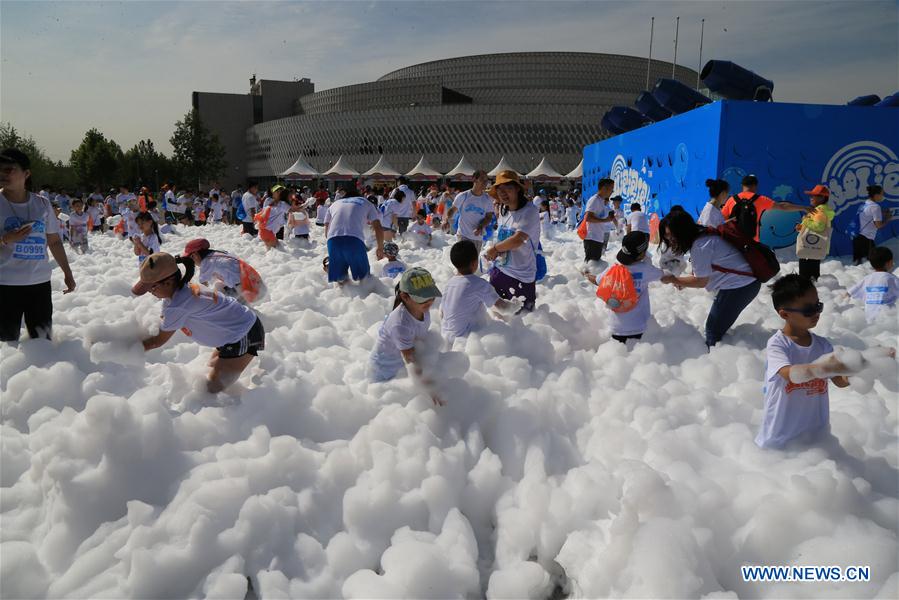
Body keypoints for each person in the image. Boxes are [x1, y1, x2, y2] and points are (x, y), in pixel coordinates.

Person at [135, 252, 265, 393]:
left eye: (151, 288)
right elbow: (163, 322)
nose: (150, 292)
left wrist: (126, 350)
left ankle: (257, 394)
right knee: (210, 370)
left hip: (243, 333)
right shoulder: (181, 291)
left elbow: (156, 341)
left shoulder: (179, 305)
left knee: (212, 389)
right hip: (235, 329)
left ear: (168, 282)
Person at [755, 274, 849, 449]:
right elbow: (788, 374)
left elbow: (839, 380)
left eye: (818, 306)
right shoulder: (778, 344)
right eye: (808, 309)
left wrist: (860, 370)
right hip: (780, 437)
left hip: (815, 435)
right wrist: (823, 368)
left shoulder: (823, 345)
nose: (816, 313)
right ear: (785, 314)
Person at [0, 148, 76, 341]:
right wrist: (5, 239)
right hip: (5, 284)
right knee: (6, 345)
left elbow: (54, 241)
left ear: (26, 173)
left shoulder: (42, 204)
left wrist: (67, 273)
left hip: (39, 283)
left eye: (8, 170)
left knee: (42, 342)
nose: (2, 174)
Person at [660, 210, 762, 347]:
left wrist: (674, 279)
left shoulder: (700, 245)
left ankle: (720, 356)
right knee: (716, 327)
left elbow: (701, 281)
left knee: (712, 331)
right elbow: (704, 273)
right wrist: (682, 281)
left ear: (681, 231)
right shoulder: (703, 236)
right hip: (743, 283)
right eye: (666, 236)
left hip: (740, 286)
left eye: (670, 235)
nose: (669, 239)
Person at [368, 267, 444, 405]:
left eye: (431, 296)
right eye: (422, 298)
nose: (429, 302)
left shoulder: (421, 309)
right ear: (405, 297)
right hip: (385, 370)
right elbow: (410, 360)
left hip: (400, 359)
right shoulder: (400, 324)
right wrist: (428, 389)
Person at [588, 231, 671, 344]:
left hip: (616, 328)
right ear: (642, 254)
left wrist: (588, 276)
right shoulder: (646, 269)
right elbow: (664, 275)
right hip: (639, 326)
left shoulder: (614, 268)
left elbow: (598, 280)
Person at [483, 170, 541, 311]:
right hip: (500, 271)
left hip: (522, 276)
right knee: (498, 317)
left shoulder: (529, 211)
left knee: (524, 318)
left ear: (517, 189)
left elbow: (518, 240)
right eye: (499, 190)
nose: (503, 193)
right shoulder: (504, 210)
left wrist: (495, 249)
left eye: (508, 188)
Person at [440, 239, 513, 343]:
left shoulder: (449, 283)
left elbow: (442, 312)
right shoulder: (479, 284)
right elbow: (501, 306)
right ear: (474, 263)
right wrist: (516, 306)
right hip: (466, 339)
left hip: (445, 335)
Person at [721, 174, 813, 242]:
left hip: (733, 241)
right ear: (755, 186)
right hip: (752, 242)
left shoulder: (731, 200)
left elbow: (721, 219)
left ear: (742, 185)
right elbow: (783, 206)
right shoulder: (760, 199)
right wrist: (803, 208)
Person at [324, 186, 385, 284]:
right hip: (354, 240)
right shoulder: (366, 202)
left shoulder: (335, 204)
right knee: (364, 280)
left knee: (341, 281)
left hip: (333, 240)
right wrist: (380, 248)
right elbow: (378, 227)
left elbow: (326, 228)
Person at [183, 238, 264, 303]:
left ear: (195, 255)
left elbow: (203, 286)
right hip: (256, 282)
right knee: (218, 286)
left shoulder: (206, 263)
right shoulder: (218, 254)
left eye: (190, 259)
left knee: (223, 300)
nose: (192, 263)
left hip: (246, 289)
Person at [445, 170, 493, 251]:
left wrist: (481, 226)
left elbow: (489, 217)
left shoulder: (487, 199)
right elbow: (452, 210)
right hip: (463, 235)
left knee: (473, 259)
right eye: (482, 179)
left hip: (477, 237)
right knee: (463, 258)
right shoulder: (463, 196)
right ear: (474, 179)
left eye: (486, 180)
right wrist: (446, 220)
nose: (485, 182)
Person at [848, 246, 899, 322]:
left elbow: (850, 293)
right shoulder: (891, 279)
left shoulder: (866, 279)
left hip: (869, 318)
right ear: (889, 263)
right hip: (887, 318)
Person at [794, 184, 835, 280]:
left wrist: (805, 222)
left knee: (805, 276)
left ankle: (806, 288)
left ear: (822, 198)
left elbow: (819, 227)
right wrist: (802, 227)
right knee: (813, 274)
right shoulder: (820, 210)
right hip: (815, 247)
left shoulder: (819, 211)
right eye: (811, 196)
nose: (811, 198)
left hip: (809, 246)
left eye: (814, 196)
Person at [852, 185, 890, 265]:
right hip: (867, 239)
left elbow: (867, 215)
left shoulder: (863, 205)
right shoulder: (875, 207)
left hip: (857, 238)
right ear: (876, 195)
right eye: (882, 194)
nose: (883, 196)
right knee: (871, 265)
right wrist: (887, 218)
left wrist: (882, 213)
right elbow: (879, 225)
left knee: (858, 267)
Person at [582, 178, 617, 262]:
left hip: (597, 237)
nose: (612, 192)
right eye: (611, 189)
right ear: (604, 188)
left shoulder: (601, 201)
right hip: (592, 238)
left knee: (594, 264)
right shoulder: (594, 200)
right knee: (591, 265)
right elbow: (588, 217)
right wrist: (605, 220)